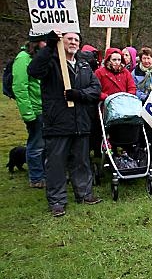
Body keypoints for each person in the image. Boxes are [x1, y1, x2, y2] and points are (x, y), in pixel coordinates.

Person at [28, 31, 102, 217]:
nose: (73, 42)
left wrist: (79, 95)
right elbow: (33, 71)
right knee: (56, 164)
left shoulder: (84, 64)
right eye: (69, 38)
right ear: (62, 41)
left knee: (81, 161)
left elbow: (95, 89)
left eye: (76, 39)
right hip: (58, 122)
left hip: (81, 122)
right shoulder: (51, 62)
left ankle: (84, 193)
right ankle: (57, 201)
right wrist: (50, 47)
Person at [12, 30, 47, 188]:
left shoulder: (41, 57)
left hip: (46, 108)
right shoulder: (23, 59)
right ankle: (36, 177)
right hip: (35, 110)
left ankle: (45, 173)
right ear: (37, 42)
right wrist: (28, 114)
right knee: (36, 144)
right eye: (44, 41)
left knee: (46, 144)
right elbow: (20, 88)